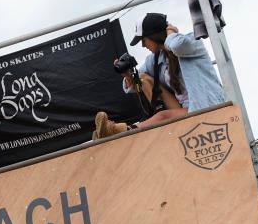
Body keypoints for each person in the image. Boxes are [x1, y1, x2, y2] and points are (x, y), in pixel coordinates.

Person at [94, 12, 225, 139]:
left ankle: (121, 131)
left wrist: (171, 31)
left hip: (206, 106)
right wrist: (128, 76)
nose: (143, 45)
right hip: (183, 109)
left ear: (154, 35)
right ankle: (110, 133)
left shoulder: (191, 41)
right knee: (143, 78)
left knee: (163, 116)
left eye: (144, 39)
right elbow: (137, 86)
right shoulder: (155, 59)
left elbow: (176, 45)